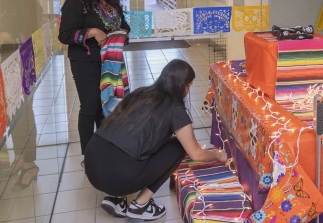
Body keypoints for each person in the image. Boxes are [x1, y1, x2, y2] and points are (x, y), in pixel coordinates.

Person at [84, 59, 228, 221]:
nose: (188, 90)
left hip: (92, 166)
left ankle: (116, 199)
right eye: (189, 86)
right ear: (182, 86)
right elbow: (196, 154)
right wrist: (218, 155)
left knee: (129, 148)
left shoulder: (140, 92)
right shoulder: (175, 109)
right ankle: (140, 206)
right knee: (178, 147)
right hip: (117, 177)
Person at [58, 0, 130, 162]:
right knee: (90, 107)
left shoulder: (110, 2)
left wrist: (123, 34)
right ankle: (88, 156)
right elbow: (65, 35)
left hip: (111, 61)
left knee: (107, 105)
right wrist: (91, 32)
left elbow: (124, 24)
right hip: (85, 62)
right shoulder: (75, 3)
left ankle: (102, 149)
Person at [0, 0, 43, 189]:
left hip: (20, 66)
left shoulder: (25, 3)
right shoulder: (5, 4)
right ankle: (22, 159)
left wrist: (5, 38)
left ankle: (30, 163)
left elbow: (27, 38)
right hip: (5, 67)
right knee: (12, 114)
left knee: (22, 114)